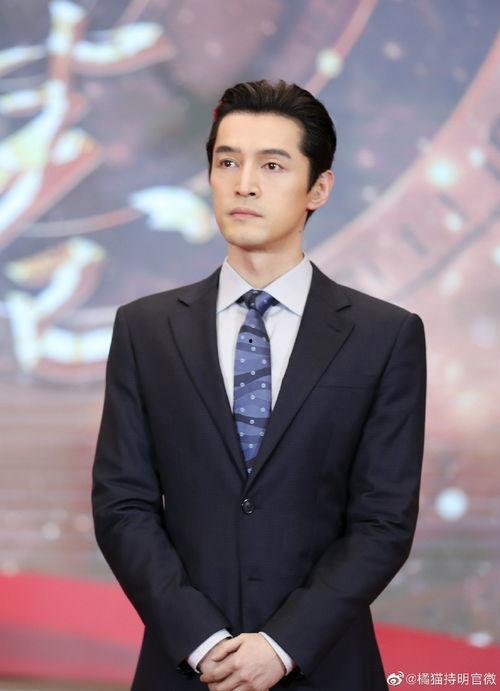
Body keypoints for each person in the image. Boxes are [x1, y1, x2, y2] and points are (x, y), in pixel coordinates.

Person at [92, 79, 427, 691]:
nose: (244, 183)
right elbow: (122, 505)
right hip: (185, 668)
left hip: (326, 666)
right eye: (227, 162)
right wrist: (202, 642)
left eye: (272, 165)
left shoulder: (385, 336)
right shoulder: (145, 328)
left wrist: (282, 645)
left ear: (318, 188)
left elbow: (382, 522)